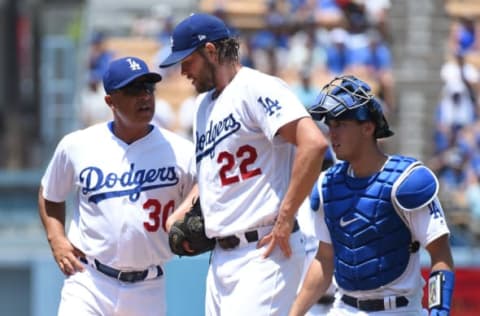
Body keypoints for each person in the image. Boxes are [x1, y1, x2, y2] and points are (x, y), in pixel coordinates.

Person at [159, 13, 328, 316]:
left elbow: (313, 143)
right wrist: (182, 211)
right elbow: (208, 176)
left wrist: (286, 216)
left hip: (264, 250)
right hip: (221, 258)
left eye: (188, 60)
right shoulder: (201, 107)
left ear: (211, 52)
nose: (183, 71)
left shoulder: (256, 87)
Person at [38, 56, 196, 316]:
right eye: (133, 90)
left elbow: (208, 189)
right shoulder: (78, 145)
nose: (144, 97)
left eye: (148, 88)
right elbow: (50, 192)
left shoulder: (180, 151)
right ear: (110, 101)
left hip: (148, 286)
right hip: (89, 280)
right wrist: (56, 239)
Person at [289, 75, 455, 316]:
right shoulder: (327, 184)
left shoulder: (407, 181)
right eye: (330, 125)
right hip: (343, 307)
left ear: (368, 127)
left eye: (341, 124)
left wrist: (440, 310)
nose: (332, 134)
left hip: (398, 309)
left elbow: (440, 254)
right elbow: (324, 260)